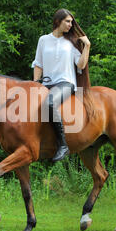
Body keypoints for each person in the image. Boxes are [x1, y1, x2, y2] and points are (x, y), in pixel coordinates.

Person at [32, 9, 91, 162]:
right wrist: (35, 84)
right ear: (58, 21)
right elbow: (38, 64)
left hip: (65, 83)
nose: (71, 25)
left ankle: (63, 145)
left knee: (49, 103)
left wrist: (87, 46)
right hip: (45, 84)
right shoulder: (43, 40)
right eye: (67, 21)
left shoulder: (71, 43)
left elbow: (81, 64)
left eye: (72, 22)